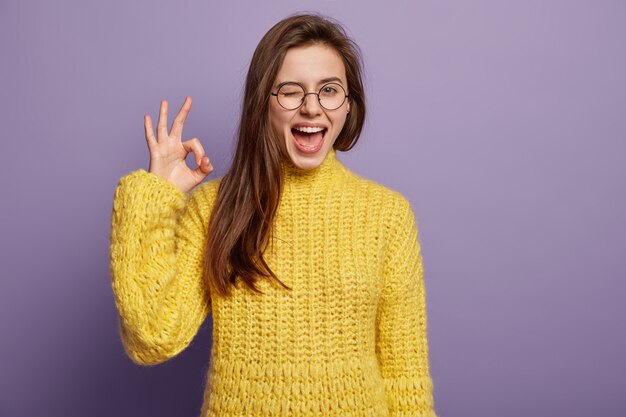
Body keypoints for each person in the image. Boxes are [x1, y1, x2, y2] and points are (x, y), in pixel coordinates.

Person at [109, 13, 437, 417]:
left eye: (329, 90)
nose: (312, 108)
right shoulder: (214, 208)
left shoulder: (388, 216)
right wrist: (156, 196)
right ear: (263, 102)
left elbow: (405, 378)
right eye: (291, 91)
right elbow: (152, 336)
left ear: (349, 105)